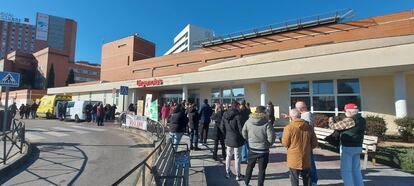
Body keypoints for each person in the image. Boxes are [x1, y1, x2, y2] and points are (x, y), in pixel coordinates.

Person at [329, 103, 366, 186]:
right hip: (358, 146)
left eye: (345, 111)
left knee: (346, 171)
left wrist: (331, 119)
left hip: (348, 147)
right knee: (356, 170)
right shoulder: (362, 119)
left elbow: (334, 126)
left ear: (349, 112)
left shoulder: (350, 120)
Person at [282, 109, 318, 186]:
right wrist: (307, 147)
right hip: (306, 156)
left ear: (291, 117)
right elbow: (314, 143)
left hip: (293, 157)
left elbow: (285, 143)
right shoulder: (309, 127)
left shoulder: (289, 127)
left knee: (294, 178)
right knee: (307, 178)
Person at [242, 106, 275, 186]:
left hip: (252, 148)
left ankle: (246, 183)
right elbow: (271, 137)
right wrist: (268, 144)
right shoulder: (267, 123)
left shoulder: (248, 121)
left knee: (249, 167)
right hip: (263, 150)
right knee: (262, 170)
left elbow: (244, 133)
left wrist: (249, 140)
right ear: (263, 112)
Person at [295, 101, 318, 186]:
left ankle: (313, 181)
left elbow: (305, 127)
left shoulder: (306, 115)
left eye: (296, 108)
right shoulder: (306, 115)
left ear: (300, 109)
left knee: (310, 162)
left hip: (306, 142)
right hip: (306, 142)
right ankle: (309, 178)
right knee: (308, 162)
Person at [222, 101, 245, 181]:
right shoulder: (238, 116)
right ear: (236, 106)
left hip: (228, 138)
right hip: (237, 139)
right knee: (237, 157)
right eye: (238, 106)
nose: (239, 108)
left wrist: (226, 135)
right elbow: (241, 129)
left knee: (228, 156)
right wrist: (243, 137)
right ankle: (238, 175)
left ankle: (227, 173)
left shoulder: (225, 114)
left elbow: (222, 127)